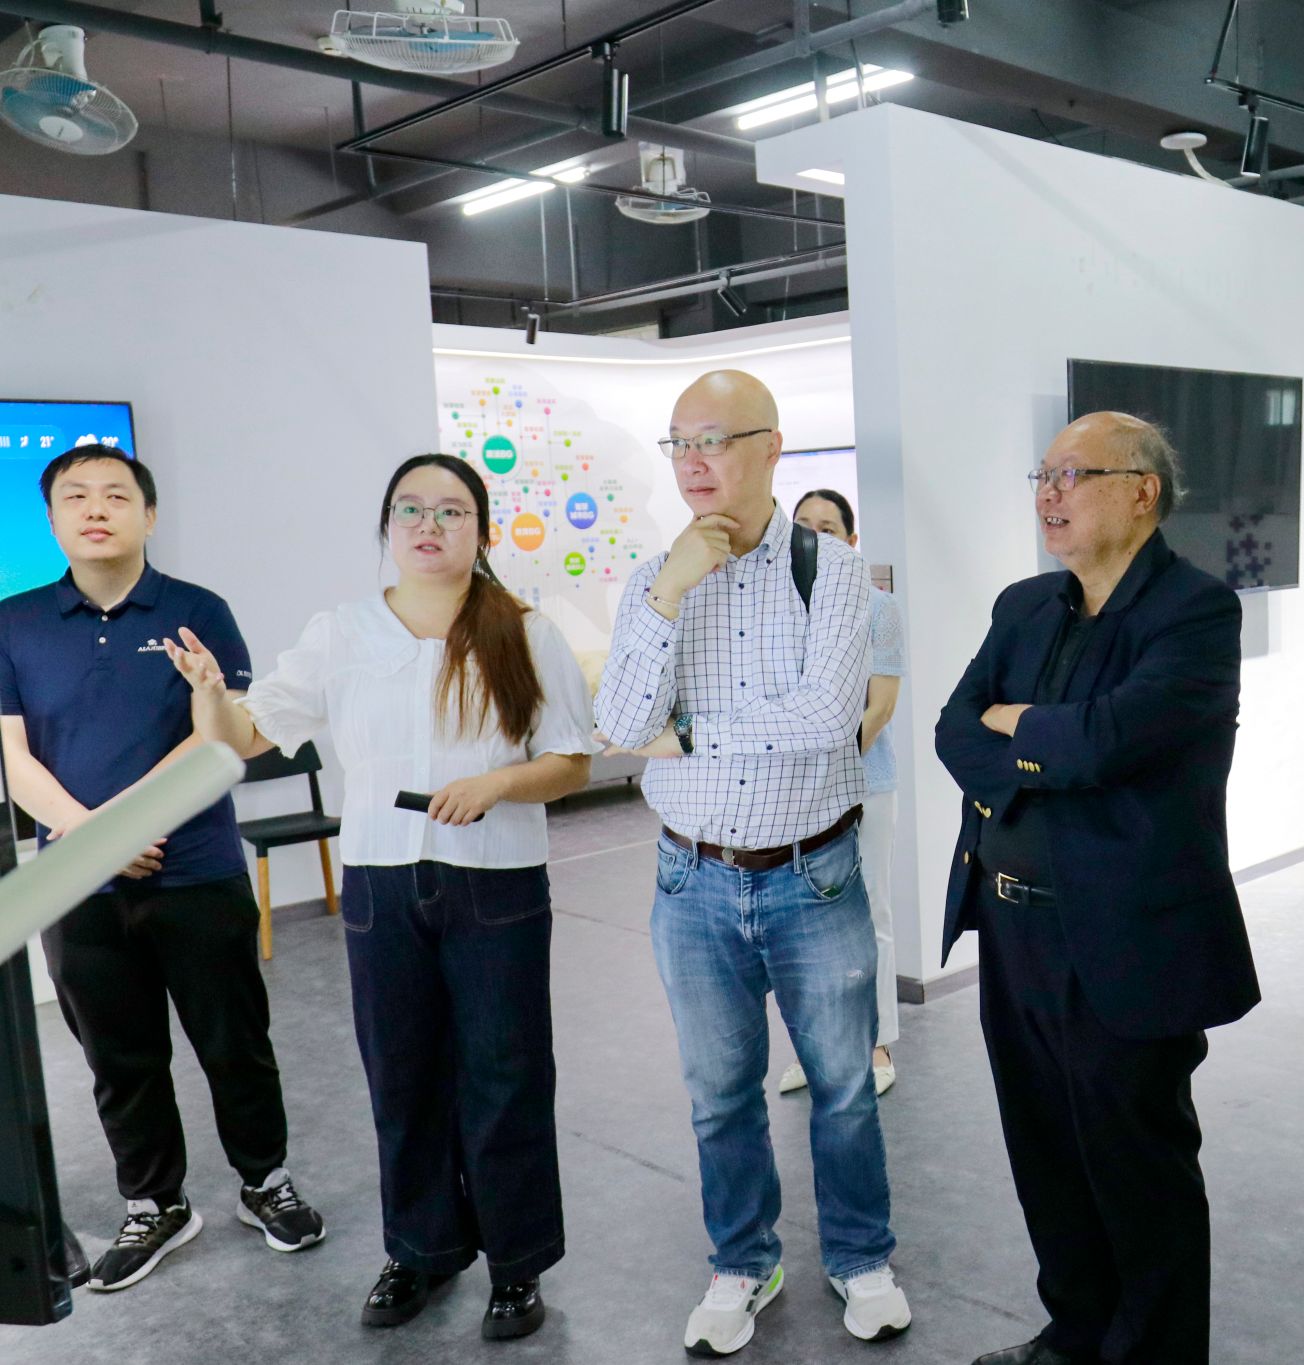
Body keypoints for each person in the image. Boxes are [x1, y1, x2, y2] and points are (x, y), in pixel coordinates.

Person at [166, 453, 595, 1341]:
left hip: (497, 882)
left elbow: (571, 762)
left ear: (481, 529)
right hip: (380, 882)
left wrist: (497, 784)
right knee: (400, 1073)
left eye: (451, 510)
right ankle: (421, 1249)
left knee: (506, 1072)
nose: (429, 525)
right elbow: (246, 734)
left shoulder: (525, 631)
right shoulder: (342, 630)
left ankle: (516, 1262)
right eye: (410, 509)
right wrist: (210, 695)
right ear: (388, 527)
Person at [594, 370, 910, 1355]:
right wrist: (672, 588)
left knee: (843, 1087)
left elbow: (828, 720)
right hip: (690, 881)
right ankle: (742, 1261)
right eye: (678, 443)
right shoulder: (653, 580)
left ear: (770, 447)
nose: (692, 462)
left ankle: (860, 1257)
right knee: (719, 1094)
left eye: (714, 440)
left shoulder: (833, 571)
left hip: (814, 875)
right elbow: (618, 723)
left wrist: (687, 735)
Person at [936, 412, 1259, 1365]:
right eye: (1042, 475)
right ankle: (1076, 1334)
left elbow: (1114, 738)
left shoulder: (1197, 611)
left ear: (1142, 491)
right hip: (1011, 928)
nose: (1049, 494)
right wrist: (1046, 739)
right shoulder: (1024, 604)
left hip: (1126, 937)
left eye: (1072, 474)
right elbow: (956, 729)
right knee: (1044, 1151)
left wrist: (1019, 724)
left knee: (1137, 1163)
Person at [0, 445, 325, 1293]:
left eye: (116, 494)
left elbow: (219, 735)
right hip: (78, 880)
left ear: (149, 514)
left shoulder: (197, 610)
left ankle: (266, 1180)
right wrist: (98, 835)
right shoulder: (13, 621)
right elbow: (13, 758)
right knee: (119, 1057)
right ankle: (155, 1204)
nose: (95, 508)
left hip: (197, 871)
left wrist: (131, 824)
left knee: (234, 1041)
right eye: (75, 496)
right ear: (53, 519)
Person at [778, 487, 905, 1098]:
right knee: (803, 925)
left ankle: (876, 1044)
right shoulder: (775, 608)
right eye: (803, 525)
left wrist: (827, 770)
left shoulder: (878, 607)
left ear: (851, 541)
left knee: (868, 912)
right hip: (789, 796)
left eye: (827, 528)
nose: (812, 536)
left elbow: (879, 708)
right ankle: (817, 1049)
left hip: (863, 785)